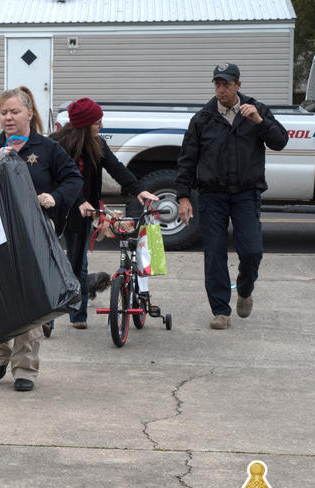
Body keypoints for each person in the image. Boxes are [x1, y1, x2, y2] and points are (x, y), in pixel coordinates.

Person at [0, 86, 82, 392]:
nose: (8, 117)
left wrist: (54, 197)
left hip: (35, 239)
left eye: (14, 111)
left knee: (30, 301)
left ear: (30, 113)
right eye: (3, 112)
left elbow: (73, 179)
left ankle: (25, 369)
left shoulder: (47, 148)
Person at [176, 62, 288, 330]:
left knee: (252, 251)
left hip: (246, 194)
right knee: (214, 254)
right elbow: (187, 160)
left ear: (238, 85)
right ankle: (220, 311)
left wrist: (259, 122)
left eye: (226, 84)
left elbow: (280, 141)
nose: (221, 90)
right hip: (212, 195)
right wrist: (183, 196)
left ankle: (245, 289)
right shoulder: (202, 118)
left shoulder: (256, 111)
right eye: (217, 84)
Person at [52, 98, 158, 329]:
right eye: (97, 122)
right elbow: (57, 178)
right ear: (84, 124)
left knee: (78, 262)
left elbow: (117, 168)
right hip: (57, 209)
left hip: (84, 213)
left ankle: (78, 315)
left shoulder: (96, 144)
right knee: (51, 262)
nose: (101, 125)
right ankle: (47, 318)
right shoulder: (56, 144)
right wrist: (78, 200)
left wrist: (139, 190)